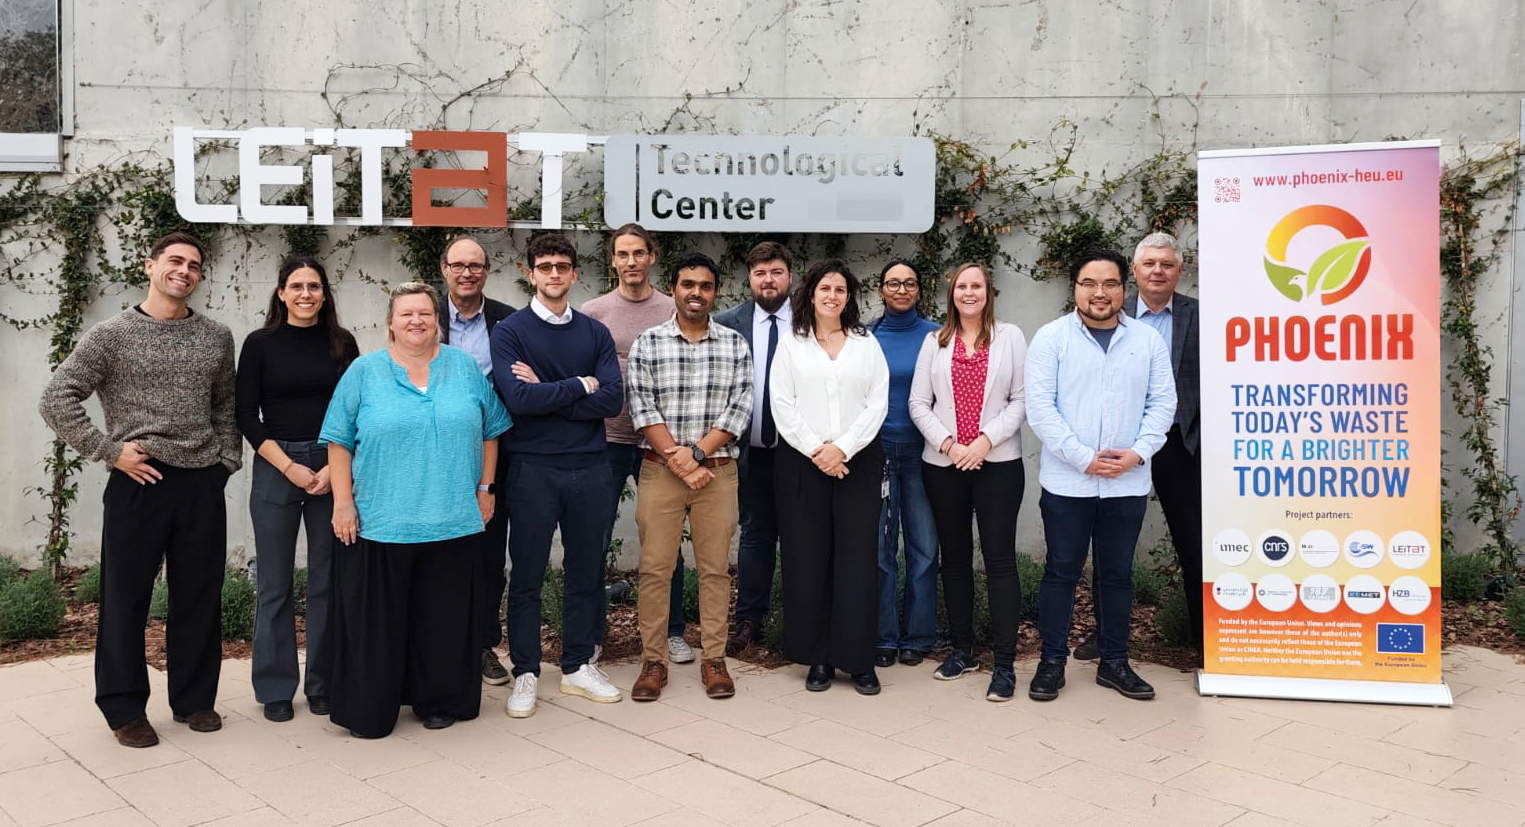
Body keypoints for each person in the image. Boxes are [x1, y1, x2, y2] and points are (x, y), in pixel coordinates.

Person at [38, 232, 240, 748]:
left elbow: (225, 406)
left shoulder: (217, 336)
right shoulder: (111, 334)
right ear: (149, 266)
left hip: (201, 481)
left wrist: (225, 463)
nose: (185, 271)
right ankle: (124, 708)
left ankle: (195, 700)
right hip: (138, 480)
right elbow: (56, 397)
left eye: (194, 265)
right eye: (175, 261)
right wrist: (110, 452)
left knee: (198, 596)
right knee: (125, 599)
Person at [320, 282, 511, 737]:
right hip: (381, 521)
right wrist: (342, 503)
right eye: (406, 314)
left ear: (437, 321)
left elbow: (492, 429)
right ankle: (373, 707)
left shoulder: (464, 368)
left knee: (442, 621)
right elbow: (338, 441)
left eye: (425, 313)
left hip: (452, 518)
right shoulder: (364, 372)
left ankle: (439, 700)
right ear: (390, 322)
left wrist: (487, 488)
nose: (416, 321)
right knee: (378, 625)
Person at [1024, 249, 1175, 702]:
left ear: (1123, 289)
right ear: (1075, 289)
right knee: (1061, 572)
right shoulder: (1051, 339)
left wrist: (1137, 453)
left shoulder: (1147, 340)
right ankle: (1052, 662)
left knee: (1116, 575)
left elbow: (1162, 403)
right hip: (1068, 482)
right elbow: (1041, 408)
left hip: (1126, 483)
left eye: (1109, 283)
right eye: (1089, 283)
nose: (1100, 293)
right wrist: (1083, 457)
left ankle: (1114, 662)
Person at [491, 232, 624, 718]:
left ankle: (575, 666)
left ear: (573, 273)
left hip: (590, 467)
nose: (553, 274)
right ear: (530, 272)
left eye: (561, 266)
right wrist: (579, 386)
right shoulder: (510, 331)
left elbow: (612, 400)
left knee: (586, 571)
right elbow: (519, 402)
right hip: (531, 469)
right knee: (525, 575)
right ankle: (525, 671)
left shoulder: (593, 333)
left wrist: (551, 391)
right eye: (544, 265)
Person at [235, 256, 358, 723]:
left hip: (333, 464)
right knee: (274, 583)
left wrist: (332, 466)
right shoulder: (260, 344)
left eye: (314, 286)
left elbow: (356, 407)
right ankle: (275, 687)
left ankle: (323, 685)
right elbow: (246, 414)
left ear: (324, 293)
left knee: (328, 581)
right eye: (296, 286)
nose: (306, 294)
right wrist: (288, 466)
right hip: (276, 465)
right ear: (281, 293)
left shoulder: (342, 344)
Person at [626, 252, 753, 701]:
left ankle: (714, 660)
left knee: (716, 570)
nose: (695, 292)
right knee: (656, 569)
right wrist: (680, 461)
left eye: (704, 285)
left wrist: (696, 455)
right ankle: (653, 662)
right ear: (674, 288)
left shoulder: (735, 345)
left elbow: (738, 411)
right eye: (687, 284)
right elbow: (641, 407)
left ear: (715, 292)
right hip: (661, 472)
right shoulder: (648, 342)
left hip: (717, 473)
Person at [908, 263, 1029, 701]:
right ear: (951, 293)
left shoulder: (1011, 337)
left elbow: (1021, 399)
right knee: (954, 560)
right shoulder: (933, 341)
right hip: (944, 466)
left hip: (997, 464)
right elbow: (919, 403)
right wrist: (949, 445)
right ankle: (962, 649)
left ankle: (1004, 664)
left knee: (999, 561)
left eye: (976, 285)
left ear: (988, 292)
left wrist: (983, 442)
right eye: (962, 285)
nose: (969, 292)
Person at [770, 259, 889, 694]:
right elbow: (782, 403)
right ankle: (817, 658)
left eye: (841, 290)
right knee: (808, 559)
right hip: (804, 463)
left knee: (857, 561)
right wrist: (819, 451)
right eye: (826, 288)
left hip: (857, 461)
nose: (833, 296)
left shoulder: (865, 343)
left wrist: (843, 448)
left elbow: (878, 403)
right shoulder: (792, 343)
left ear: (849, 298)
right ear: (811, 293)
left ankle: (858, 661)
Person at [581, 223, 689, 666]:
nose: (630, 262)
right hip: (605, 438)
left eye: (638, 253)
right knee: (593, 537)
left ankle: (674, 631)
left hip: (658, 442)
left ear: (651, 257)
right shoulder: (593, 311)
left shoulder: (671, 309)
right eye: (622, 254)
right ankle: (590, 636)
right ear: (613, 260)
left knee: (664, 542)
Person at [435, 235, 519, 686]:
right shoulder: (422, 315)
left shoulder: (508, 321)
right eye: (458, 265)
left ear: (486, 271)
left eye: (476, 265)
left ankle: (484, 643)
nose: (467, 272)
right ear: (444, 269)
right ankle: (441, 644)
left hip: (493, 457)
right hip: (434, 457)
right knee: (439, 554)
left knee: (488, 557)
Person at [714, 241, 794, 654]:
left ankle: (800, 622)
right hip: (750, 452)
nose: (768, 280)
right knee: (755, 536)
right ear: (750, 279)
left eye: (776, 272)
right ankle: (750, 619)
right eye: (760, 273)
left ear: (790, 277)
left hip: (802, 454)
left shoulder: (811, 320)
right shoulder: (727, 323)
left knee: (803, 536)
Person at [1132, 233, 1203, 656]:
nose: (1158, 270)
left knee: (1192, 539)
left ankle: (1202, 637)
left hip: (1182, 443)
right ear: (1135, 270)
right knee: (1110, 538)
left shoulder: (1202, 316)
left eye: (1167, 264)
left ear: (1180, 270)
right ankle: (1106, 637)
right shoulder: (1113, 312)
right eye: (1150, 263)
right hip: (1122, 443)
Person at [868, 260, 941, 669]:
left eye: (908, 283)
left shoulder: (936, 335)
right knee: (880, 549)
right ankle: (883, 636)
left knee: (923, 548)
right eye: (892, 282)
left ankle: (918, 636)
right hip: (877, 452)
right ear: (881, 289)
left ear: (918, 289)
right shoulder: (865, 337)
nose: (900, 289)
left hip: (924, 453)